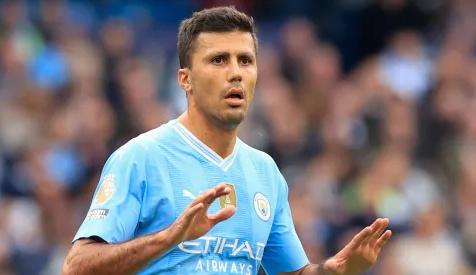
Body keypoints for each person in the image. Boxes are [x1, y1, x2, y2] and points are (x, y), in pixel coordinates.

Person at [62, 6, 392, 275]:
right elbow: (76, 267)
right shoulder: (140, 157)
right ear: (185, 79)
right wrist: (169, 237)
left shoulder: (265, 172)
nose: (235, 72)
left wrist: (336, 271)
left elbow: (291, 272)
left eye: (245, 60)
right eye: (219, 60)